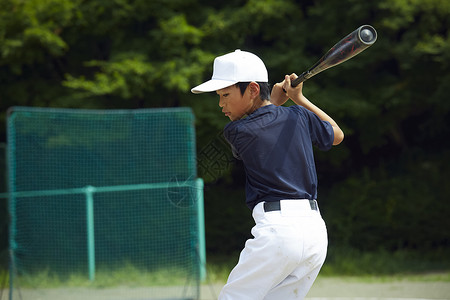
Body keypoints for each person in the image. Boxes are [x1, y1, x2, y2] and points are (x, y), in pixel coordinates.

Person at [191, 49, 344, 300]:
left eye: (225, 94)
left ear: (252, 89)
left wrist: (277, 102)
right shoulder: (299, 116)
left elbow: (266, 120)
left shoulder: (238, 130)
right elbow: (337, 134)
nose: (221, 104)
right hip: (315, 233)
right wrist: (299, 100)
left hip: (278, 233)